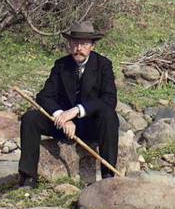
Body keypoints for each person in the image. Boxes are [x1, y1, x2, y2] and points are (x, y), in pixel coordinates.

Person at [17, 21, 118, 188]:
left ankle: (108, 176)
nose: (79, 48)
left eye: (84, 44)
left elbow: (109, 99)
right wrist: (61, 116)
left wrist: (77, 111)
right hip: (63, 126)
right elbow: (44, 96)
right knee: (30, 118)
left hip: (91, 125)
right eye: (75, 43)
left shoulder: (103, 65)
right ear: (69, 44)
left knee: (109, 116)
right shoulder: (61, 65)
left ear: (92, 46)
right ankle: (28, 178)